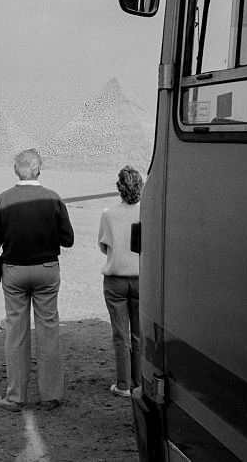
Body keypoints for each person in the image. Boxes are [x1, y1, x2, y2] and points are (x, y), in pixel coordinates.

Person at [0, 149, 75, 412]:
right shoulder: (53, 198)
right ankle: (51, 395)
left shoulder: (3, 200)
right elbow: (68, 239)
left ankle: (15, 396)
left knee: (16, 333)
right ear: (39, 169)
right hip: (46, 269)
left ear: (15, 169)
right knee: (48, 331)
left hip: (15, 271)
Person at [98, 165, 143, 398]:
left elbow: (103, 246)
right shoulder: (147, 212)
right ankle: (138, 381)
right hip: (141, 279)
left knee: (120, 334)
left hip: (115, 280)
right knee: (138, 333)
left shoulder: (109, 214)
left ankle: (123, 383)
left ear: (119, 188)